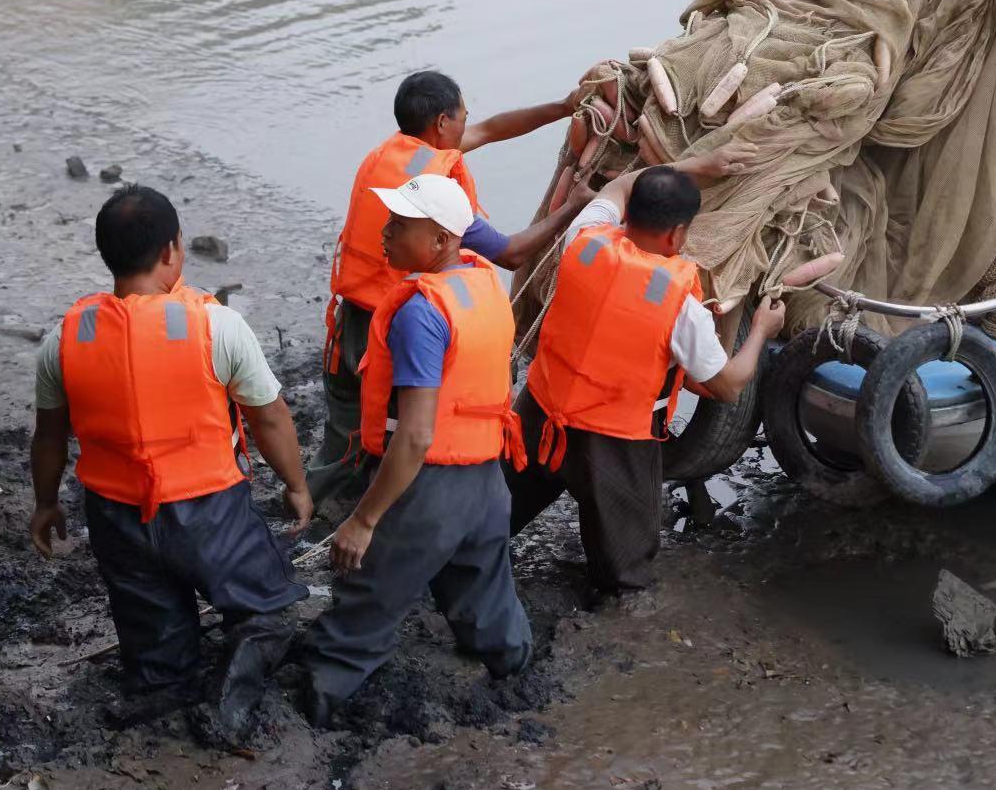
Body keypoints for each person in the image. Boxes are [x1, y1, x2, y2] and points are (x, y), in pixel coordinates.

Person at [30, 185, 312, 738]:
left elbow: (49, 437)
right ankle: (230, 706)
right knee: (267, 611)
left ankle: (167, 692)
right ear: (171, 252)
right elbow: (270, 419)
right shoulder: (217, 327)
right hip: (211, 513)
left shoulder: (64, 339)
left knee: (156, 647)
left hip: (116, 518)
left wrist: (44, 504)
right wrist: (297, 484)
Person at [292, 174, 533, 722]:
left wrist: (364, 518)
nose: (386, 235)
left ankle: (317, 703)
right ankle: (513, 671)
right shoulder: (484, 285)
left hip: (430, 490)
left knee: (368, 597)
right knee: (485, 593)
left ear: (444, 241)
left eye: (401, 227)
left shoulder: (421, 312)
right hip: (487, 483)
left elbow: (418, 434)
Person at [506, 154, 786, 600]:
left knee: (495, 517)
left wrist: (699, 163)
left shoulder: (584, 239)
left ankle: (461, 565)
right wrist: (760, 331)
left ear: (629, 214)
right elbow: (729, 385)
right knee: (623, 568)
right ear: (678, 234)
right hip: (614, 443)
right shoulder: (679, 304)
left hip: (539, 415)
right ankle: (613, 623)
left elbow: (617, 187)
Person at [308, 70, 586, 509]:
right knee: (389, 430)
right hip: (392, 331)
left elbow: (492, 130)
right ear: (441, 123)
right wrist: (573, 207)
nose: (467, 126)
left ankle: (313, 504)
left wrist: (564, 107)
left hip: (349, 319)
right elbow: (511, 254)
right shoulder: (435, 196)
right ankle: (359, 521)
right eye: (462, 117)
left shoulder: (392, 153)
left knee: (345, 430)